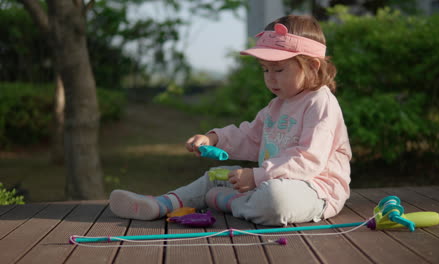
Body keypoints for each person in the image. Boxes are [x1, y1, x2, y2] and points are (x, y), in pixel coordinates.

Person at [109, 15, 352, 226]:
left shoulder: (320, 102)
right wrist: (213, 138)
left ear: (312, 65)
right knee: (217, 175)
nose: (270, 79)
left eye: (278, 70)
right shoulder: (277, 105)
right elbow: (250, 136)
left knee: (274, 200)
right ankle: (162, 204)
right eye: (265, 70)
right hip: (268, 180)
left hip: (316, 190)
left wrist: (256, 177)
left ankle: (232, 202)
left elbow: (309, 158)